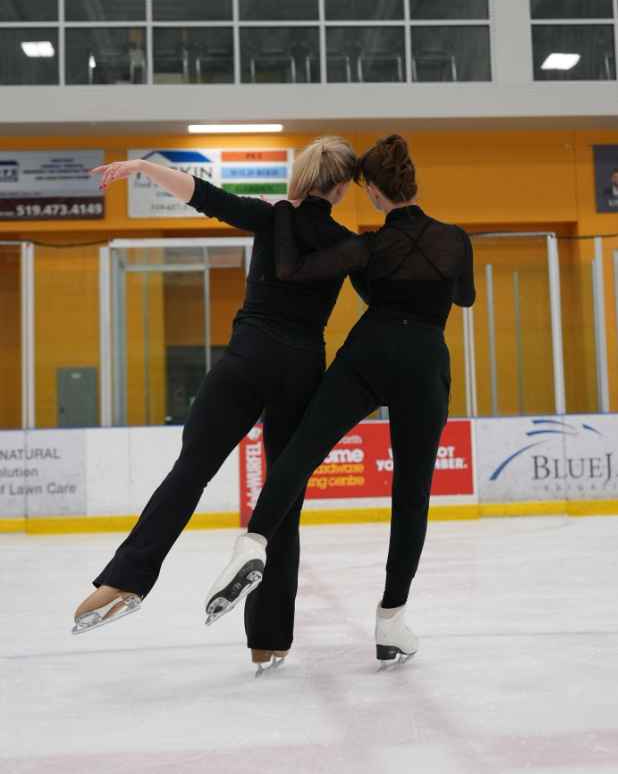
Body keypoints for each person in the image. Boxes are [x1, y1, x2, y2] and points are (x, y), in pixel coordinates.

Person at [72, 136, 369, 675]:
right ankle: (269, 639)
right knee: (283, 503)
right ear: (343, 187)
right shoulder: (348, 243)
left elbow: (204, 195)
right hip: (303, 370)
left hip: (249, 358)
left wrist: (143, 166)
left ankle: (126, 579)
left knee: (191, 470)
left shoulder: (273, 217)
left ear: (301, 176)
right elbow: (391, 288)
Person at [204, 133, 476, 669]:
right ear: (412, 182)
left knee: (301, 451)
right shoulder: (455, 239)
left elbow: (299, 272)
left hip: (368, 352)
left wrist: (282, 217)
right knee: (412, 493)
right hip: (424, 361)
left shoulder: (367, 246)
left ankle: (254, 542)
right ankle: (391, 620)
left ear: (372, 192)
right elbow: (462, 296)